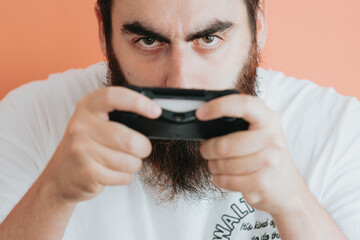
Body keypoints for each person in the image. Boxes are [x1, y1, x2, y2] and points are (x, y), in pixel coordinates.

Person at [0, 0, 359, 239]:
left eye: (209, 38)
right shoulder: (31, 117)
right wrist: (52, 194)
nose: (181, 80)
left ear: (259, 26)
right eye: (147, 40)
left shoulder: (338, 128)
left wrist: (294, 203)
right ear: (104, 31)